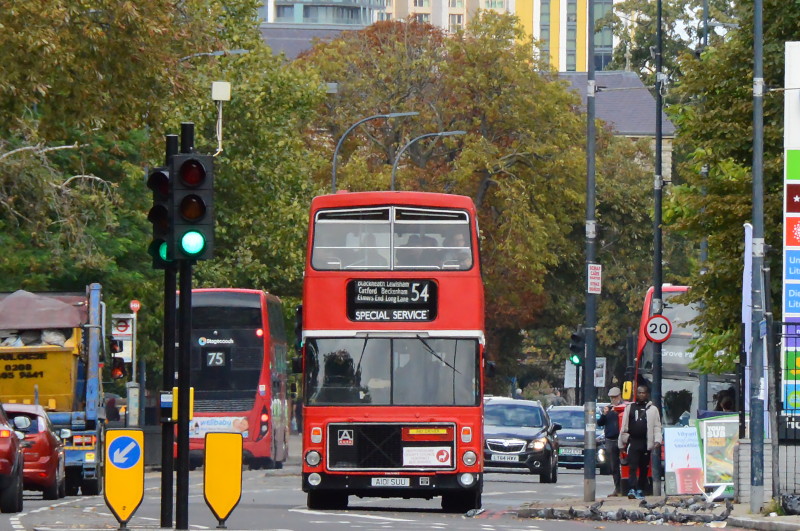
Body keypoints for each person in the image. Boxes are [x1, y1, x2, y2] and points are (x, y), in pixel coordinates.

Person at [619, 385, 662, 500]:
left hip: (646, 442)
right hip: (633, 441)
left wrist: (658, 440)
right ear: (636, 394)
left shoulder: (653, 409)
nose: (642, 395)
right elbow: (624, 426)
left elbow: (657, 426)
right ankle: (632, 488)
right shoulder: (630, 408)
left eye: (644, 393)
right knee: (632, 466)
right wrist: (622, 442)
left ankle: (640, 489)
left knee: (643, 467)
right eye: (639, 393)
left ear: (647, 394)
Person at [597, 386, 623, 496]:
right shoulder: (608, 409)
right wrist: (604, 414)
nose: (613, 400)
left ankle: (628, 487)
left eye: (615, 397)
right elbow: (600, 423)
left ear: (619, 396)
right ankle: (618, 488)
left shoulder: (624, 407)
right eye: (611, 398)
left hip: (621, 439)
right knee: (614, 466)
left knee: (627, 464)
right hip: (610, 440)